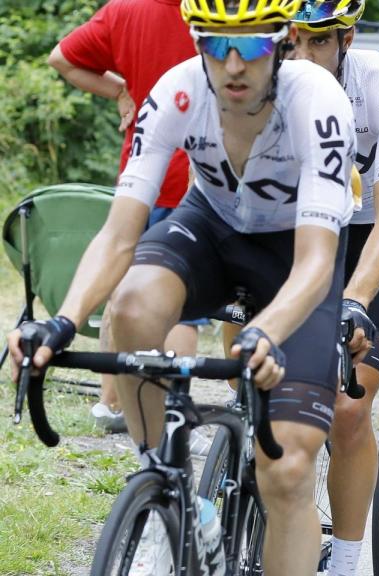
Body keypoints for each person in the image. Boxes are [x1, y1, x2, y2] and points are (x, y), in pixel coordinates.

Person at [9, 1, 358, 574]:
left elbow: (317, 260)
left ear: (286, 40)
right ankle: (167, 491)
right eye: (217, 45)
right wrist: (63, 320)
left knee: (289, 468)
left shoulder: (317, 100)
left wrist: (265, 331)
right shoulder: (176, 92)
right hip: (212, 228)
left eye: (252, 45)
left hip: (295, 253)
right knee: (133, 303)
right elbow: (119, 235)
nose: (234, 65)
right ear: (196, 42)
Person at [288, 1, 379, 574]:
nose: (306, 56)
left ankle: (344, 561)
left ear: (348, 37)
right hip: (300, 232)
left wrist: (357, 299)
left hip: (368, 239)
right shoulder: (267, 78)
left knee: (346, 409)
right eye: (295, 41)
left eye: (319, 42)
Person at [47, 0, 197, 433]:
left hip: (139, 175)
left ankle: (111, 404)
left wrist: (119, 90)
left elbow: (62, 58)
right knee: (182, 304)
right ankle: (175, 410)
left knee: (122, 284)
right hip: (193, 179)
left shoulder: (122, 10)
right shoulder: (212, 13)